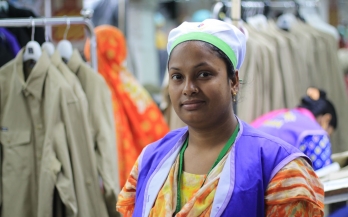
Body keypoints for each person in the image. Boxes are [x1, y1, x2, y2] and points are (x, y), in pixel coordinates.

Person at [117, 19, 324, 216]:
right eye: (177, 77)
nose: (188, 88)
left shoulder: (280, 169)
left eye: (204, 74)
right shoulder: (149, 160)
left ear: (233, 81)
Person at [251, 87, 337, 171]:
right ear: (326, 120)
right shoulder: (316, 133)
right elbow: (324, 175)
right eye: (329, 133)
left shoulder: (277, 115)